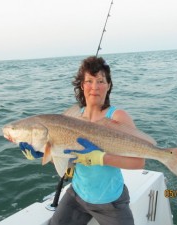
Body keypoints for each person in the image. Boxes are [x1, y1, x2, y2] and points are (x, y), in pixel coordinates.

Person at [20, 56, 145, 225]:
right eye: (89, 81)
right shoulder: (72, 118)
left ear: (108, 85)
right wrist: (43, 151)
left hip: (110, 201)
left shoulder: (117, 117)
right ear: (82, 85)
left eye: (100, 81)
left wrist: (101, 158)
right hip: (77, 195)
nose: (95, 87)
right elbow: (69, 162)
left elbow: (139, 162)